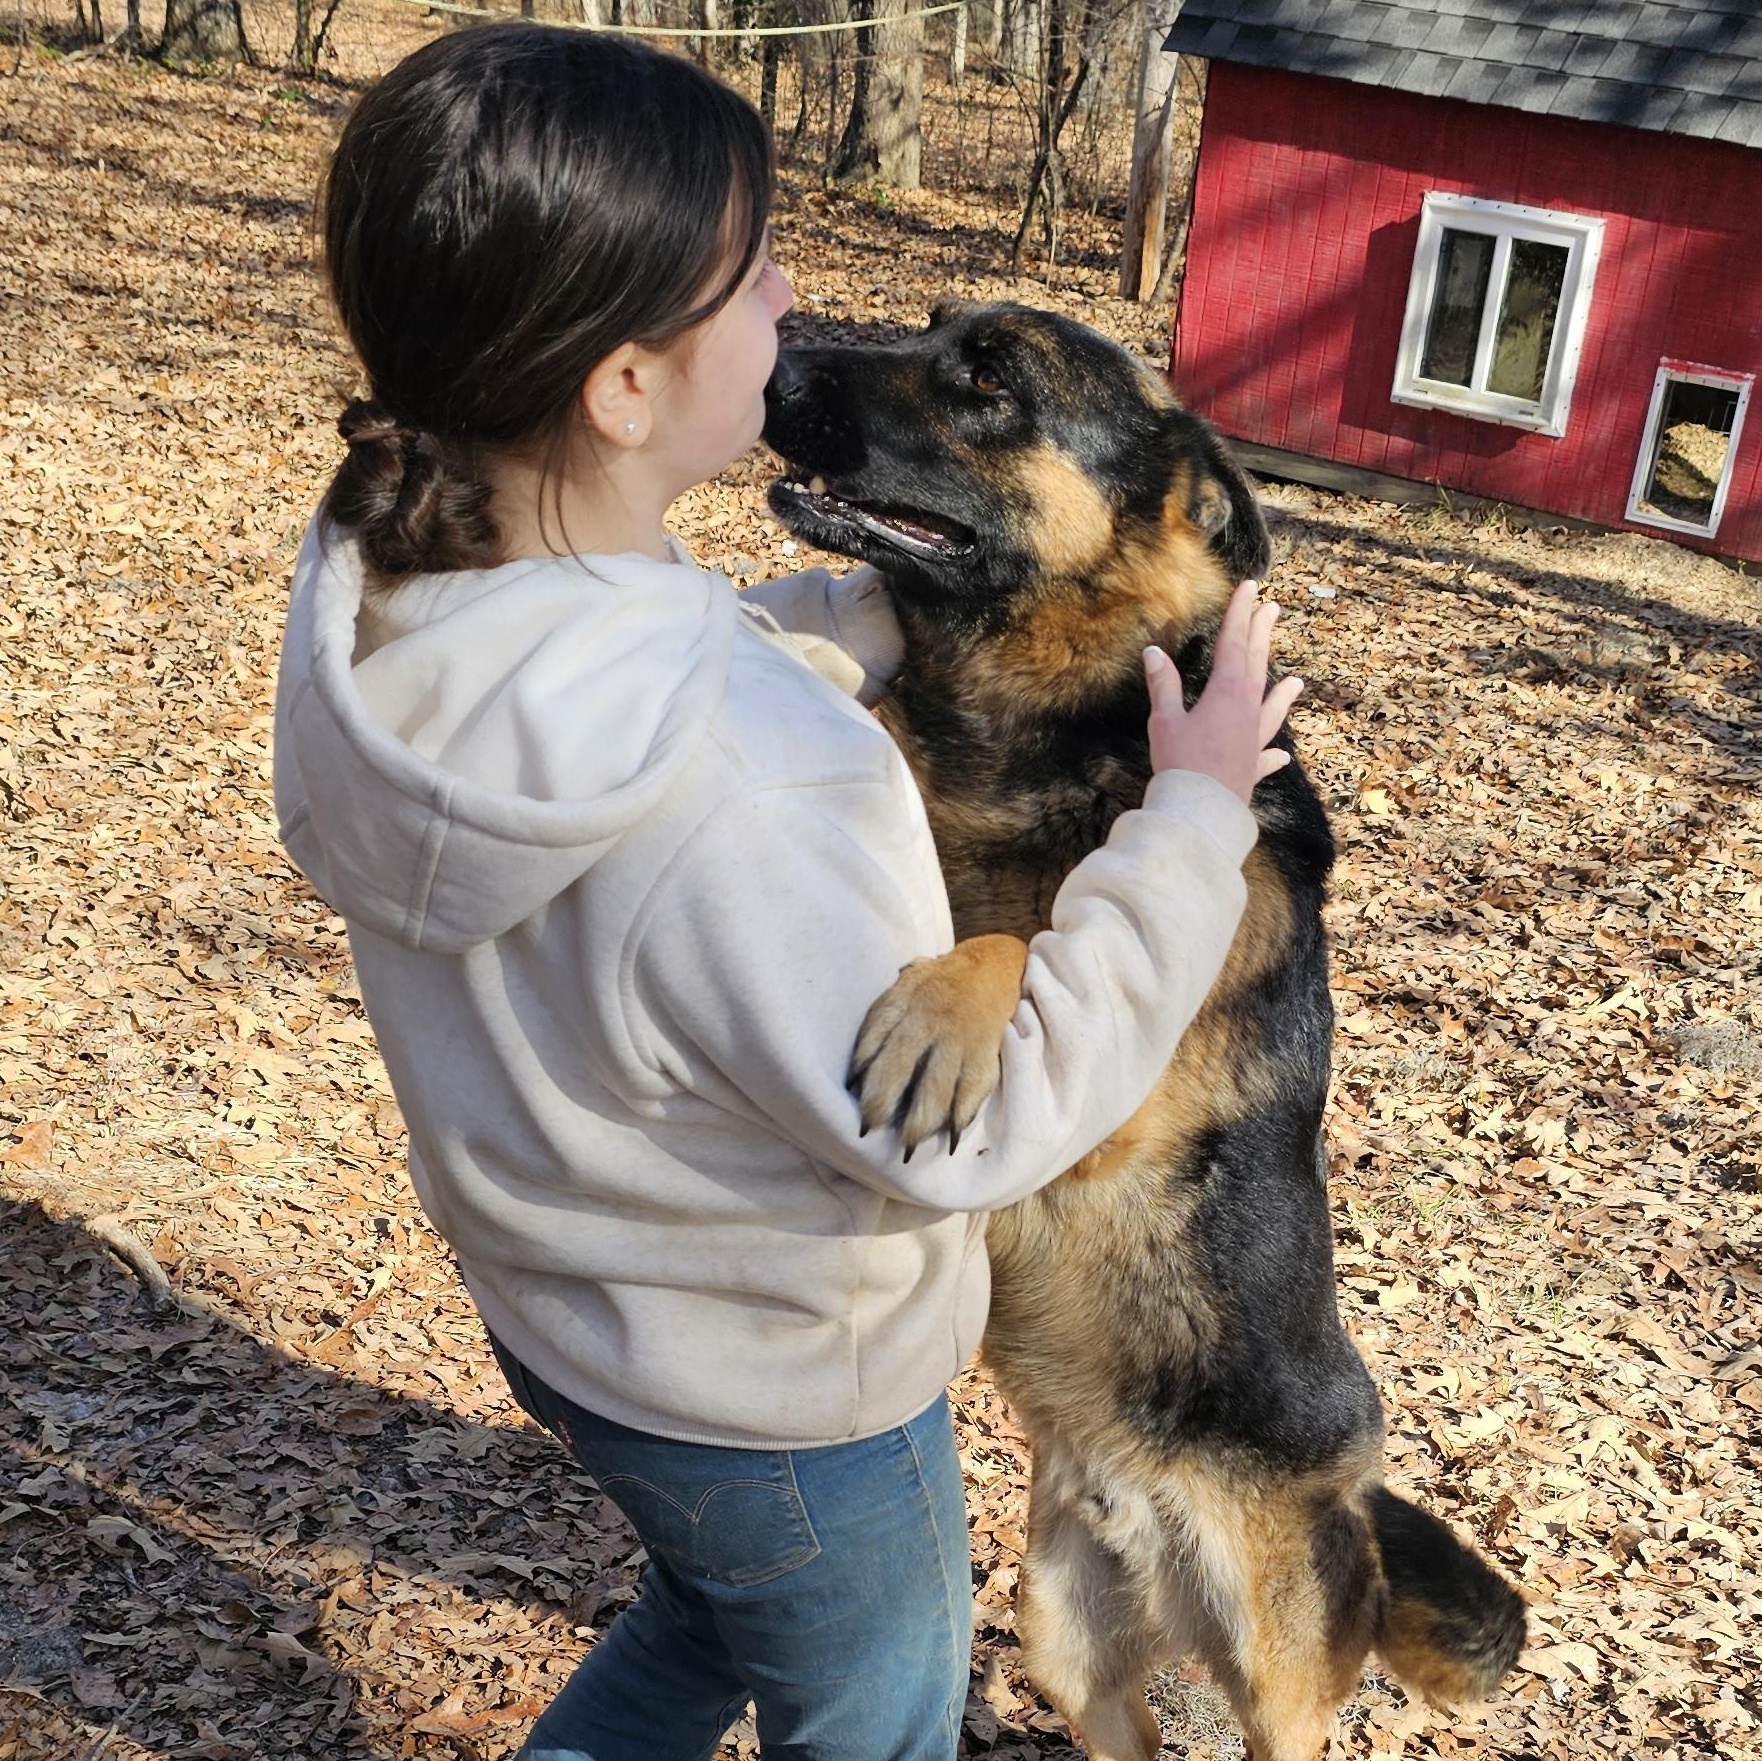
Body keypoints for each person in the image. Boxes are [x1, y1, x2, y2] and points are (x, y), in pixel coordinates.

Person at [273, 22, 1301, 1761]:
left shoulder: (388, 580)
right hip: (783, 1391)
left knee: (709, 1611)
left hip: (573, 1317)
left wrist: (869, 616)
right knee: (879, 1710)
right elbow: (971, 1131)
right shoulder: (759, 782)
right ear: (622, 386)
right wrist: (1192, 818)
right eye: (755, 276)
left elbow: (644, 647)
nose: (799, 300)